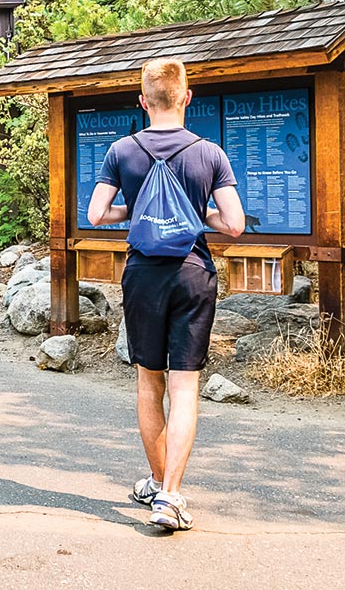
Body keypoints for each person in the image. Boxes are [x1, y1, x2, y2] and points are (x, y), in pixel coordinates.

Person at [86, 58, 245, 532]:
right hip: (193, 274)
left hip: (142, 277)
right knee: (185, 387)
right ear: (186, 98)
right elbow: (234, 224)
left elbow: (97, 214)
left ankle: (158, 486)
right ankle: (171, 495)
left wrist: (137, 211)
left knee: (148, 383)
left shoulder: (122, 150)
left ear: (142, 101)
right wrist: (197, 218)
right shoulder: (209, 153)